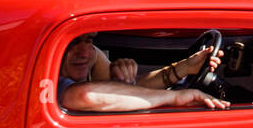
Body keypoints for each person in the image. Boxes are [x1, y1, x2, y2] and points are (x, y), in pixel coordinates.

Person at [58, 33, 229, 112]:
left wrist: (184, 68)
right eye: (73, 42)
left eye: (89, 40)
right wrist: (177, 97)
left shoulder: (93, 54)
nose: (84, 53)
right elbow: (86, 95)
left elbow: (123, 92)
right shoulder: (51, 80)